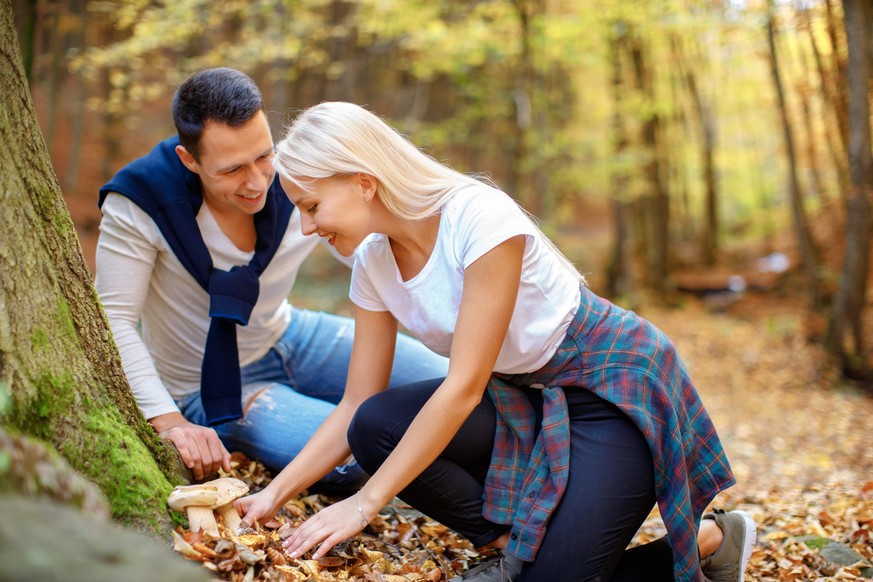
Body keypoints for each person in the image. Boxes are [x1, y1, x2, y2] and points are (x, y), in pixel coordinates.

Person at [234, 102, 756, 581]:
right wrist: (273, 496)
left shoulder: (477, 216)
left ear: (364, 183)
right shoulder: (371, 263)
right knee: (375, 423)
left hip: (609, 388)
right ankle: (511, 547)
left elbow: (462, 387)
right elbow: (354, 402)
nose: (306, 227)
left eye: (312, 206)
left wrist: (362, 504)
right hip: (521, 397)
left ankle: (713, 539)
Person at [94, 69, 448, 485]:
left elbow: (379, 252)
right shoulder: (140, 201)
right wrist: (170, 421)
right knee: (354, 458)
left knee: (444, 381)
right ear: (189, 160)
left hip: (290, 335)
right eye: (231, 170)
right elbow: (113, 318)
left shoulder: (297, 178)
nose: (258, 181)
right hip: (205, 386)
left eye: (263, 156)